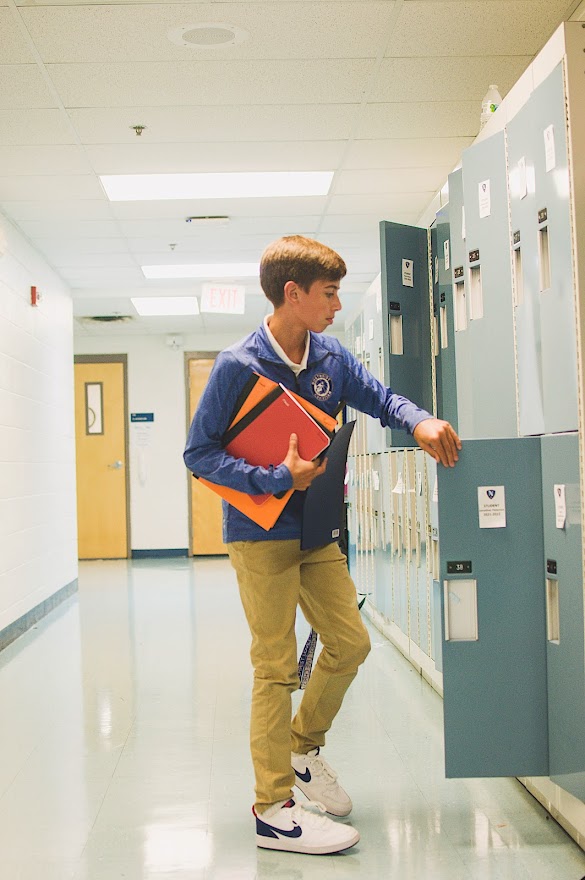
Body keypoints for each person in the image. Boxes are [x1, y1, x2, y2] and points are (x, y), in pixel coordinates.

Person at [184, 236, 461, 856]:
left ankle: (302, 748)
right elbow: (198, 455)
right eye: (329, 293)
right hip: (260, 535)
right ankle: (273, 808)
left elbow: (380, 397)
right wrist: (277, 478)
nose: (336, 306)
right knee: (276, 666)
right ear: (293, 294)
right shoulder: (238, 366)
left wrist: (419, 419)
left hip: (316, 529)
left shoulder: (331, 358)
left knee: (351, 641)